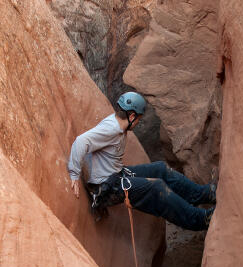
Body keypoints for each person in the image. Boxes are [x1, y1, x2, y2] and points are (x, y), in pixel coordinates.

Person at [68, 92, 216, 230]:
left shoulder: (117, 125)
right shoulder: (112, 128)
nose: (138, 122)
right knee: (155, 188)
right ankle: (201, 219)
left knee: (160, 169)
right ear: (131, 116)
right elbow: (81, 141)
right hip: (106, 188)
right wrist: (74, 173)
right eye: (139, 118)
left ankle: (204, 194)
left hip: (117, 176)